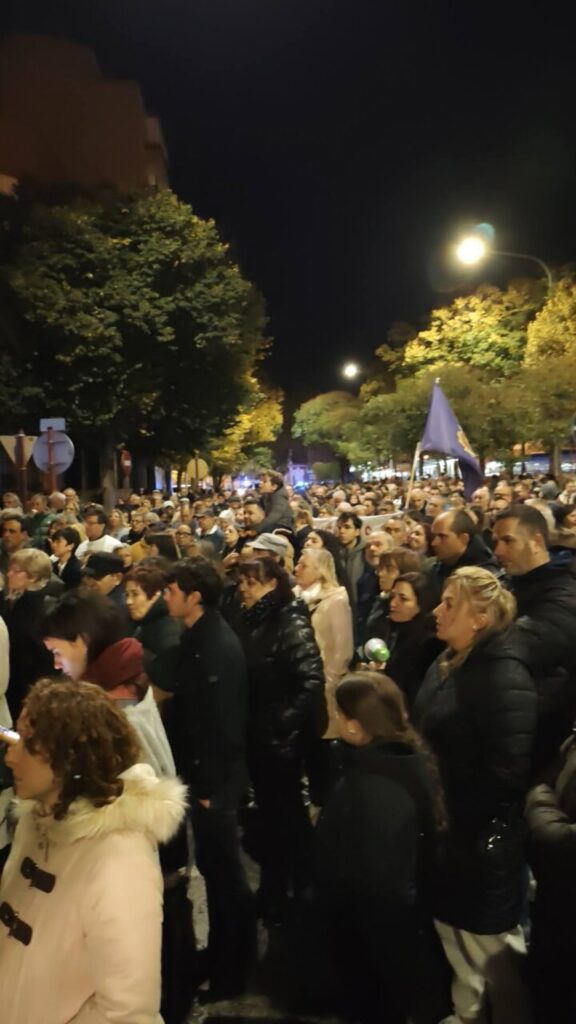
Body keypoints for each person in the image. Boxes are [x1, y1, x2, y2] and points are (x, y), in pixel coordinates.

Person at [0, 677, 186, 1024]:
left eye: (27, 743)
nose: (10, 755)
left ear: (68, 758)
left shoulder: (119, 858)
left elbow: (126, 1011)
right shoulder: (39, 820)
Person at [413, 567, 536, 1024]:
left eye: (449, 604)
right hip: (449, 835)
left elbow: (506, 772)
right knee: (457, 943)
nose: (436, 611)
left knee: (493, 958)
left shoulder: (504, 675)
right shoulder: (448, 661)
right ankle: (466, 1015)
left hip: (478, 841)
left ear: (479, 618)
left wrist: (450, 814)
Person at [149, 557, 255, 1002]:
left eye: (171, 591)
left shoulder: (215, 644)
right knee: (215, 873)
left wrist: (211, 790)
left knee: (226, 877)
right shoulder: (199, 635)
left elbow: (223, 724)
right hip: (206, 778)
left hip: (217, 784)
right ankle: (220, 957)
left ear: (194, 597)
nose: (165, 597)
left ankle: (233, 973)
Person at [314, 672, 445, 1024]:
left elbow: (379, 884)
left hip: (374, 945)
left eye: (338, 714)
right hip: (385, 938)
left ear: (356, 727)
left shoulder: (373, 787)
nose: (334, 719)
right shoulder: (400, 762)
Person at [237, 556, 325, 922]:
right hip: (261, 736)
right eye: (241, 580)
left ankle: (300, 890)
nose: (242, 587)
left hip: (280, 741)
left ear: (272, 584)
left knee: (286, 816)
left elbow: (311, 679)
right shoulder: (251, 618)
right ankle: (276, 887)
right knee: (274, 818)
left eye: (250, 581)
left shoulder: (289, 618)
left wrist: (279, 722)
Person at [41, 590, 174, 780]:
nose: (56, 664)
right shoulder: (125, 676)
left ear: (82, 641)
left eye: (57, 652)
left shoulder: (114, 708)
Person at [492, 503, 576, 772]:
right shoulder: (507, 583)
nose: (498, 551)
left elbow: (530, 646)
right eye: (496, 541)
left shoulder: (565, 593)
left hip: (544, 735)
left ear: (536, 541)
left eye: (508, 541)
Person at [294, 547, 353, 802]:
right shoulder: (297, 598)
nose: (296, 569)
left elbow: (342, 649)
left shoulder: (335, 600)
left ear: (320, 571)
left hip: (324, 690)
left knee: (323, 753)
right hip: (304, 686)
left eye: (303, 565)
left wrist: (326, 684)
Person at [525, 732, 576, 1023]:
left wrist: (538, 803)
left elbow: (560, 842)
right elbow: (543, 778)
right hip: (557, 898)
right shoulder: (571, 740)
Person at [367, 572, 444, 709]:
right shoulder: (395, 629)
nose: (393, 603)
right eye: (392, 596)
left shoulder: (430, 643)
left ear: (421, 603)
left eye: (403, 599)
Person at [0, 549, 56, 719]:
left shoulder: (42, 610)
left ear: (33, 577)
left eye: (16, 571)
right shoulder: (10, 598)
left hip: (23, 687)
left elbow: (44, 659)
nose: (9, 574)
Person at [429, 509, 503, 601]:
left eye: (442, 536)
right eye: (434, 536)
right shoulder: (436, 566)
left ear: (463, 539)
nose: (434, 543)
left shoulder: (484, 580)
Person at [125, 564, 183, 676]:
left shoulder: (169, 631)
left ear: (155, 595)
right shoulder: (135, 620)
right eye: (127, 595)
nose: (129, 601)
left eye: (135, 594)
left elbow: (169, 676)